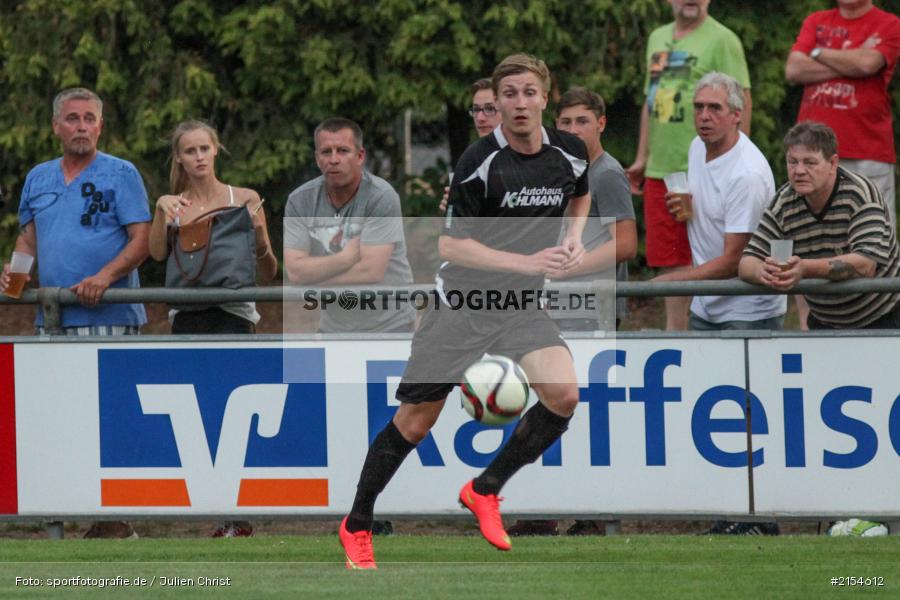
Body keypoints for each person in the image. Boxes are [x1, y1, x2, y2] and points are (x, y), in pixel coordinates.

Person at [338, 53, 590, 569]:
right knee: (413, 423)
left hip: (520, 305)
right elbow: (451, 246)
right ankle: (357, 523)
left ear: (546, 96)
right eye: (509, 95)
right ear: (496, 103)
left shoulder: (571, 152)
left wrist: (575, 238)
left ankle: (485, 489)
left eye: (529, 92)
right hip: (463, 305)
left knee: (564, 394)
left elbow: (580, 195)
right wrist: (527, 261)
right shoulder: (478, 161)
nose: (520, 103)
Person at [0, 87, 150, 539]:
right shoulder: (38, 178)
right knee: (61, 417)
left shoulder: (121, 174)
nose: (81, 126)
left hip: (111, 316)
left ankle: (115, 520)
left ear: (101, 126)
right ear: (55, 126)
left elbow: (141, 240)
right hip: (54, 317)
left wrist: (105, 277)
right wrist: (15, 282)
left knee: (110, 417)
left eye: (89, 119)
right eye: (72, 119)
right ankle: (62, 516)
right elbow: (28, 241)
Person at [650, 72, 784, 536]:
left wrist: (675, 280)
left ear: (737, 114)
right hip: (710, 308)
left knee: (748, 420)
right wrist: (688, 213)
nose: (704, 117)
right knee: (715, 418)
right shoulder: (696, 149)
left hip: (748, 311)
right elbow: (710, 227)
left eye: (715, 109)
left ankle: (758, 518)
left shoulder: (748, 173)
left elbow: (735, 261)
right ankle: (728, 514)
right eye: (699, 108)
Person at [504, 86, 637, 538]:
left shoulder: (606, 173)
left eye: (583, 121)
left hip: (593, 311)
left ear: (601, 123)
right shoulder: (558, 169)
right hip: (554, 307)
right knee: (548, 407)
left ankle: (593, 515)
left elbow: (627, 243)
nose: (574, 130)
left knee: (586, 415)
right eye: (566, 123)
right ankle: (541, 509)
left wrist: (568, 267)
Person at [149, 120, 277, 537]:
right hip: (187, 316)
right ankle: (219, 512)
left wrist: (259, 237)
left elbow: (269, 271)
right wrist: (160, 211)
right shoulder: (175, 205)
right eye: (190, 151)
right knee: (199, 416)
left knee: (233, 416)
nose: (199, 157)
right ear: (179, 158)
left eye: (205, 148)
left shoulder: (245, 198)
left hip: (236, 314)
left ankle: (236, 515)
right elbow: (154, 255)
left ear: (217, 150)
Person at [626, 0, 751, 331]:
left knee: (707, 257)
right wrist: (642, 157)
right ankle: (676, 340)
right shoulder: (657, 37)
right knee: (669, 260)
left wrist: (737, 156)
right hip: (662, 171)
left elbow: (742, 101)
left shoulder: (723, 39)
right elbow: (651, 102)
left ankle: (706, 335)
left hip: (704, 170)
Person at [739, 121, 900, 330]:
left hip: (884, 317)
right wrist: (764, 271)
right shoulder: (784, 202)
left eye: (810, 162)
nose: (799, 171)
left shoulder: (859, 194)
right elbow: (746, 262)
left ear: (833, 163)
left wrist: (804, 268)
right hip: (826, 323)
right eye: (792, 162)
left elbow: (865, 264)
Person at [283, 117, 416, 334]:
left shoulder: (381, 196)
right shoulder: (299, 200)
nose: (334, 159)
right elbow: (296, 273)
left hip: (391, 324)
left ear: (360, 156)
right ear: (317, 158)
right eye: (326, 152)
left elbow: (370, 271)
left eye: (343, 151)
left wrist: (315, 281)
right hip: (333, 328)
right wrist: (345, 258)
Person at [785, 0, 900, 227]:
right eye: (817, 51)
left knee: (873, 232)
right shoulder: (816, 21)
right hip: (811, 154)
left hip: (866, 152)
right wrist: (850, 62)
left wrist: (817, 52)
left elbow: (868, 64)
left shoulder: (890, 24)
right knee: (809, 231)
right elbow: (794, 69)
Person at [439, 78, 502, 213]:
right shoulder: (471, 158)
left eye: (490, 109)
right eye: (476, 109)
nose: (480, 118)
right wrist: (455, 211)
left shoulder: (532, 154)